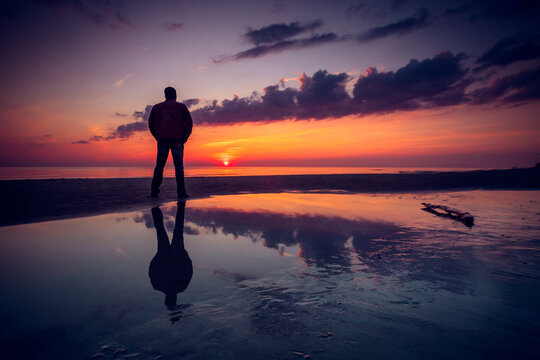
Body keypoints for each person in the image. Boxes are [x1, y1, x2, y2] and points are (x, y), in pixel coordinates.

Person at [148, 87, 193, 198]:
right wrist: (184, 138)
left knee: (159, 166)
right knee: (178, 167)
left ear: (165, 95)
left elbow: (150, 124)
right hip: (177, 140)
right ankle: (181, 192)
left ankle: (154, 191)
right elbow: (189, 123)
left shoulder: (156, 107)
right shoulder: (181, 107)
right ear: (175, 95)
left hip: (163, 139)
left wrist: (157, 137)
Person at [149, 202, 193, 310]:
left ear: (175, 299)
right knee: (160, 229)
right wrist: (157, 257)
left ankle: (180, 206)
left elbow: (188, 270)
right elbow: (152, 269)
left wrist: (184, 254)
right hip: (165, 254)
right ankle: (155, 207)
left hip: (176, 254)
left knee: (178, 227)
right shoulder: (157, 285)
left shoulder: (182, 286)